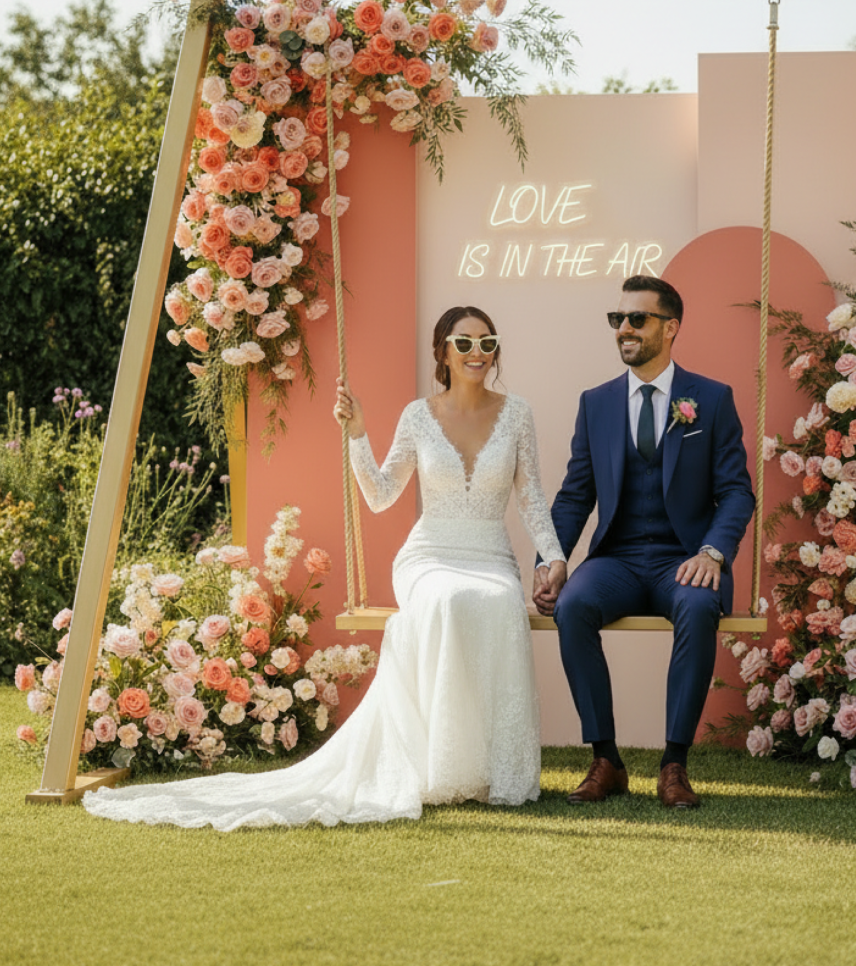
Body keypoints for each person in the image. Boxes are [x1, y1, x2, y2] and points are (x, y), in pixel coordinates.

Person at [83, 306, 565, 829]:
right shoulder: (417, 416)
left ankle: (496, 769)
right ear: (442, 351)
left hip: (491, 555)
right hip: (431, 556)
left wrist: (556, 558)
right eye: (464, 342)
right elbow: (381, 496)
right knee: (448, 599)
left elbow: (533, 499)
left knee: (496, 602)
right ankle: (445, 767)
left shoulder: (517, 414)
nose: (477, 353)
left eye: (486, 342)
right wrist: (358, 433)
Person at [533, 276, 754, 809]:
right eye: (618, 319)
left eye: (637, 319)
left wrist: (713, 553)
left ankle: (674, 764)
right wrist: (552, 560)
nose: (624, 329)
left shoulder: (712, 399)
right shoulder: (597, 403)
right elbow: (574, 496)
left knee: (700, 607)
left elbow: (737, 492)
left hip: (686, 559)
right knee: (576, 604)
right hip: (619, 560)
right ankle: (606, 760)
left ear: (670, 327)